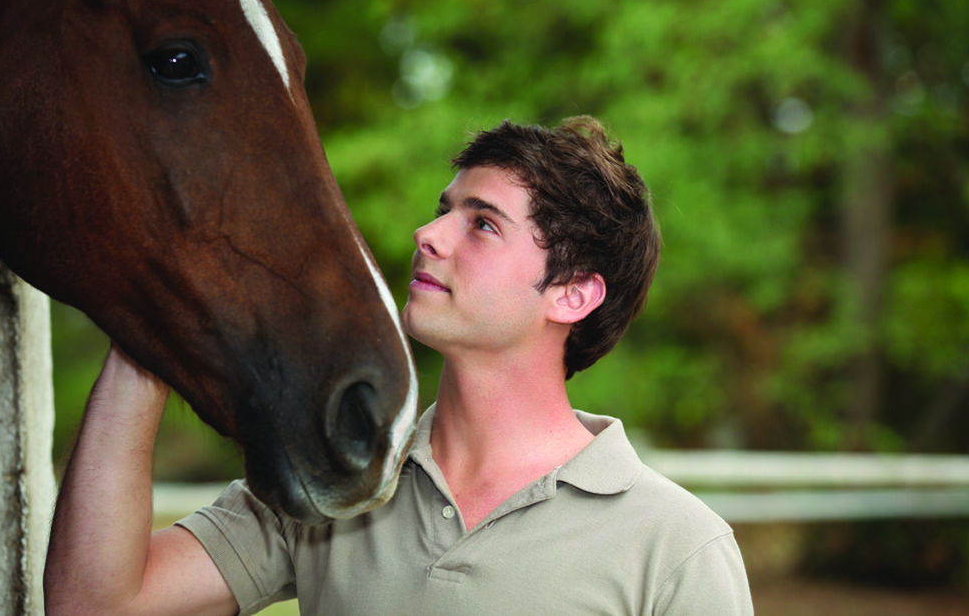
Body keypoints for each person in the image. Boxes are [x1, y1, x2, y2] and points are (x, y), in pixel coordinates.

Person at [45, 116, 753, 615]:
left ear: (573, 293)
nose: (428, 234)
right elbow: (95, 602)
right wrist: (147, 328)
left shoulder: (677, 547)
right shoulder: (339, 483)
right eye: (444, 210)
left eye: (482, 223)